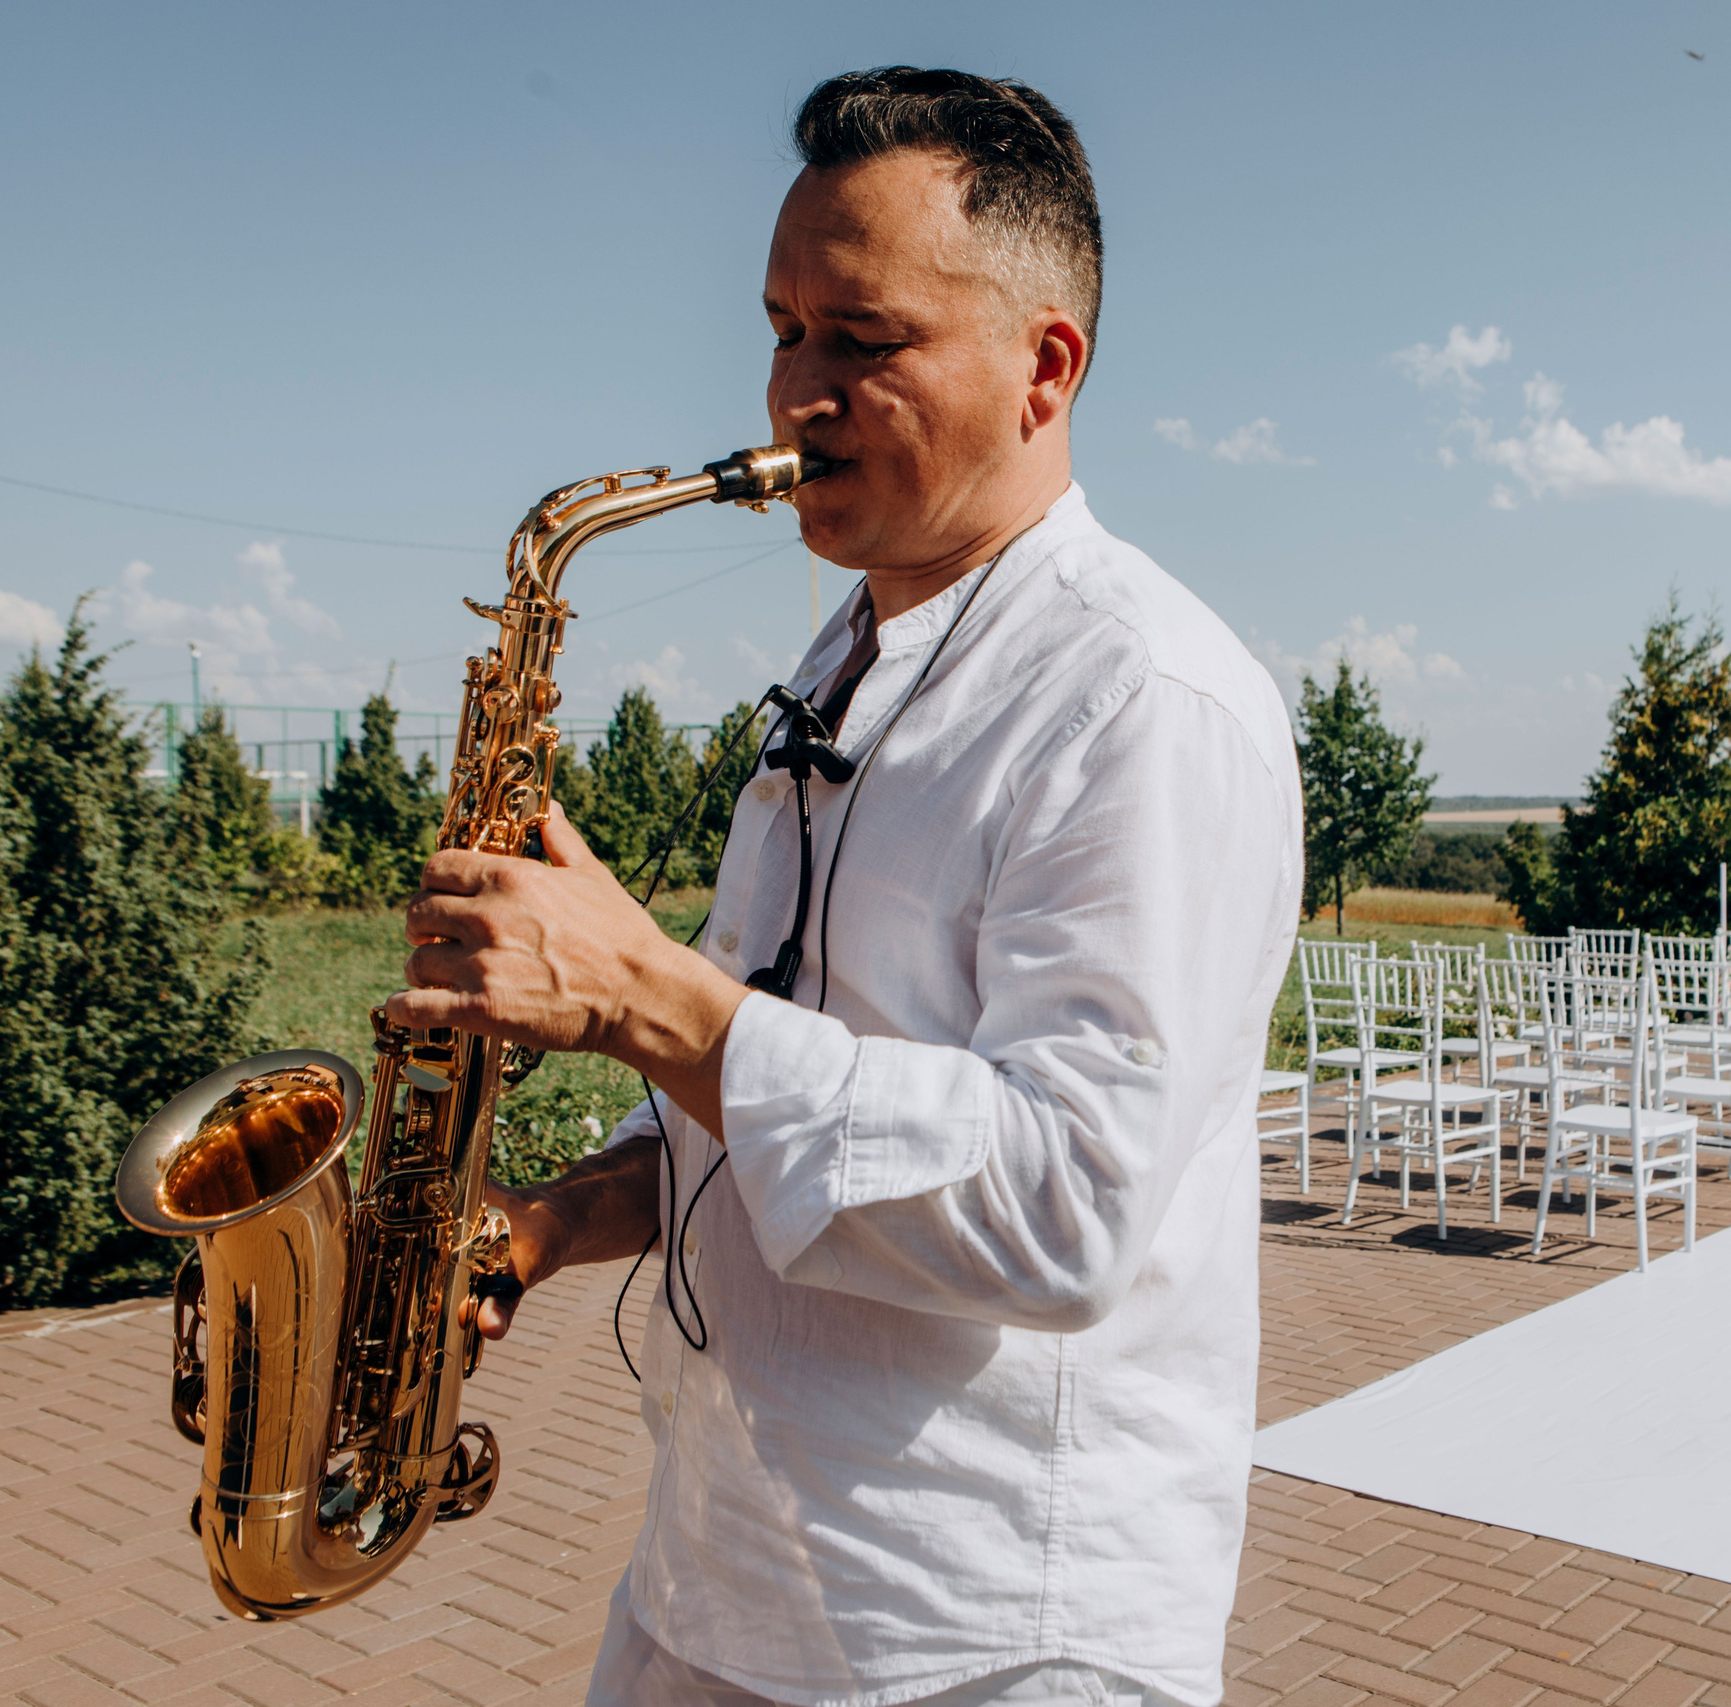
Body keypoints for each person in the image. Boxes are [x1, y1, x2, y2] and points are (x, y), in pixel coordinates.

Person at [387, 67, 1301, 1707]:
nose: (795, 387)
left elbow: (1064, 1210)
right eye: (780, 325)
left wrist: (643, 994)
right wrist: (545, 1223)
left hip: (988, 1633)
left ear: (1046, 364)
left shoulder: (1143, 700)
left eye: (862, 342)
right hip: (725, 1571)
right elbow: (774, 1101)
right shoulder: (849, 662)